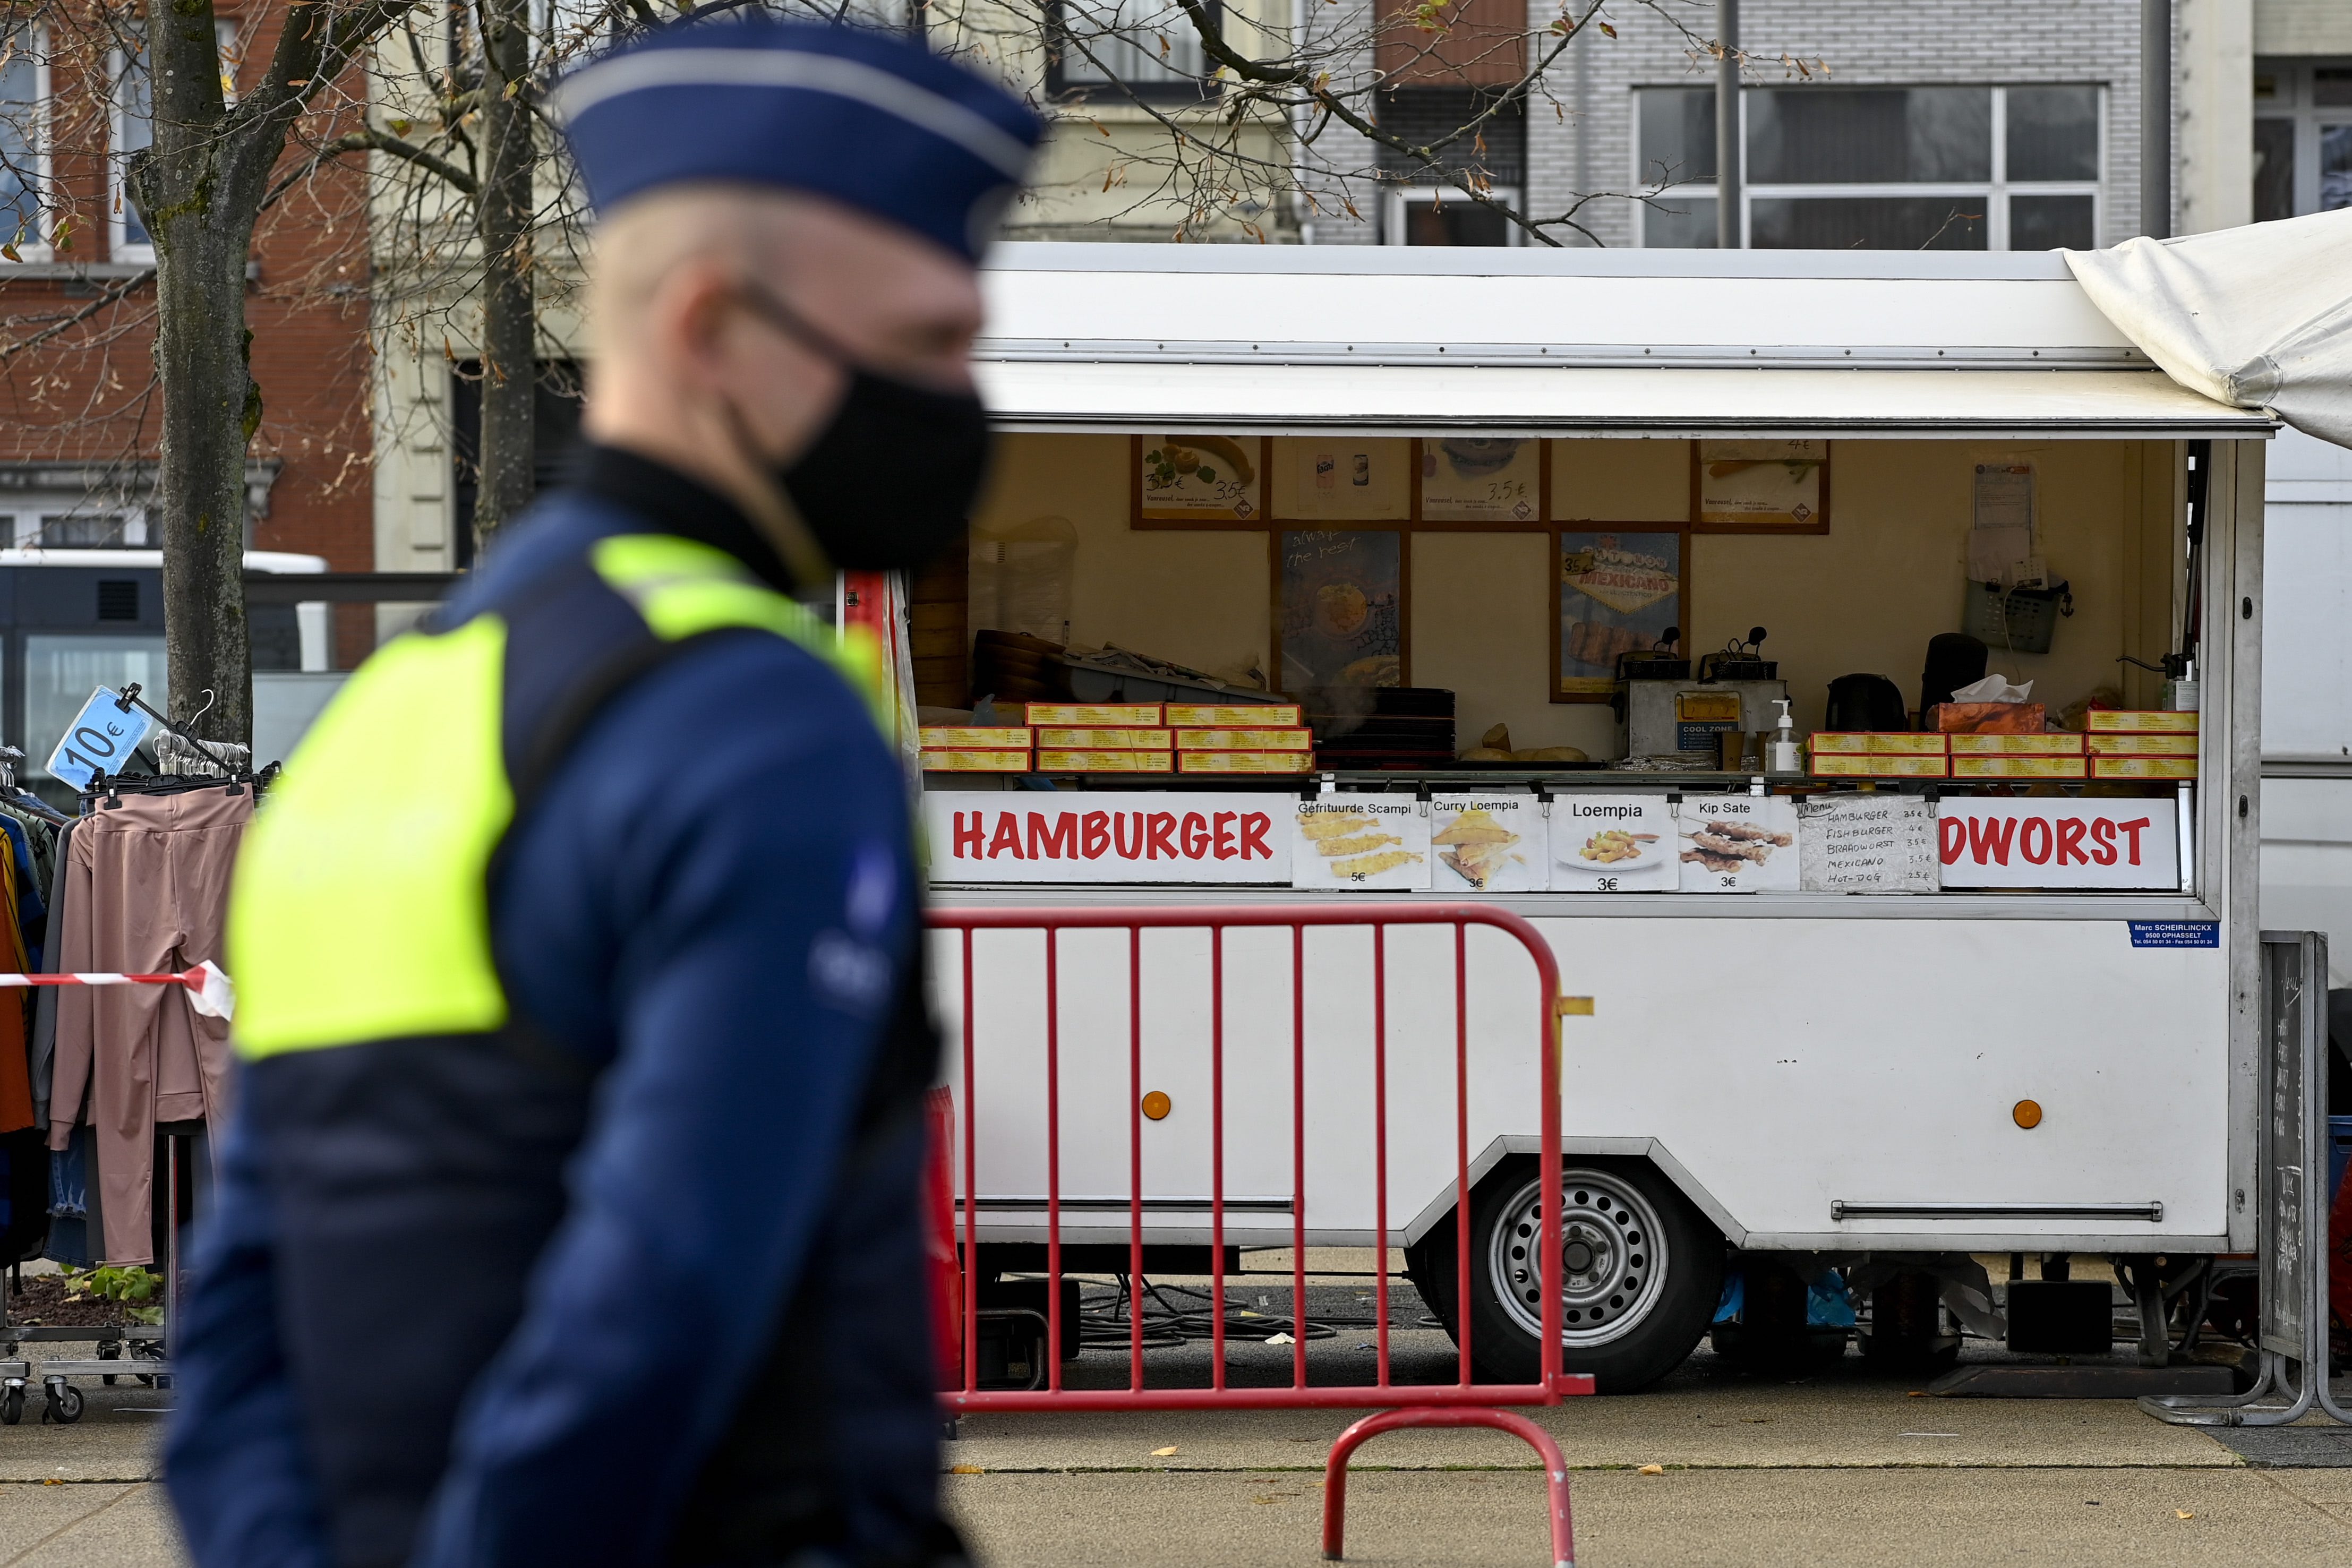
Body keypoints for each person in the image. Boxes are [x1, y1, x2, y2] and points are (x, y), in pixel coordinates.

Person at [164, 21, 1039, 1568]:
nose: (963, 400)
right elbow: (668, 1287)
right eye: (923, 345)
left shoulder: (380, 724)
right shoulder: (756, 716)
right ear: (711, 321)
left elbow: (236, 1335)